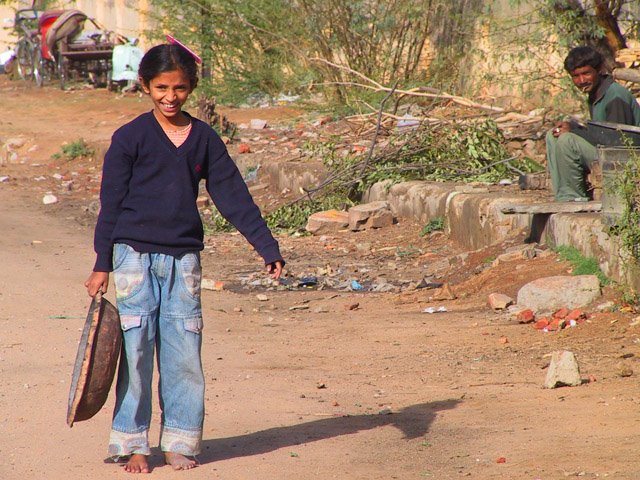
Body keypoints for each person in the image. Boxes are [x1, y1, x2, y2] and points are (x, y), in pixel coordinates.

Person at [84, 43, 284, 473]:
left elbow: (232, 194)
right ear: (145, 85)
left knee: (184, 354)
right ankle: (132, 443)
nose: (170, 97)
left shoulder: (205, 140)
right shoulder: (129, 138)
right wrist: (103, 263)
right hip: (133, 259)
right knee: (135, 353)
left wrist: (266, 246)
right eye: (161, 87)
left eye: (179, 88)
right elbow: (111, 204)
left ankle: (180, 441)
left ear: (191, 87)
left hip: (184, 263)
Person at [546, 45, 640, 201]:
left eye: (586, 73)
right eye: (576, 76)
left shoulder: (615, 95)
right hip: (607, 151)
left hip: (627, 158)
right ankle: (563, 195)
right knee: (553, 135)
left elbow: (617, 142)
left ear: (599, 70)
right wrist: (574, 127)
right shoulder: (595, 93)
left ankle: (573, 197)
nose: (581, 81)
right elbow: (601, 130)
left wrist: (574, 132)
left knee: (567, 140)